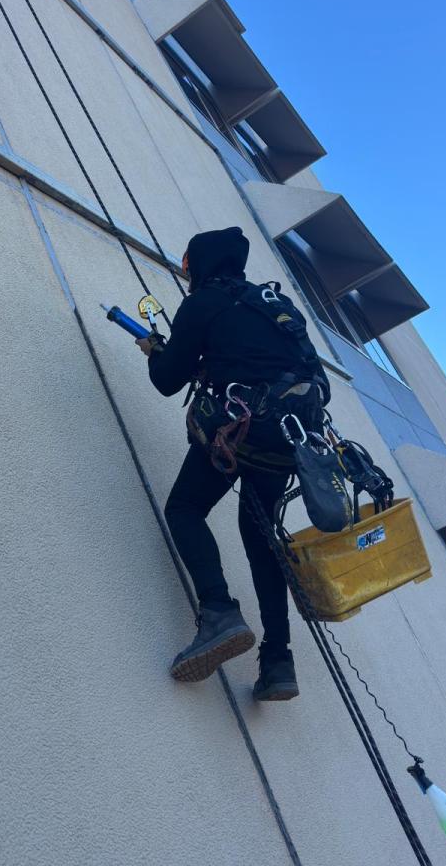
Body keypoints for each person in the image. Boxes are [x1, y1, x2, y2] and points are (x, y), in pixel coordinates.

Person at [137, 226, 327, 701]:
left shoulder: (203, 303)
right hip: (288, 440)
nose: (187, 273)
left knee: (185, 508)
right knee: (260, 537)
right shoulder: (276, 305)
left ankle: (219, 612)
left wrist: (155, 351)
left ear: (201, 263)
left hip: (239, 433)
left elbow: (167, 380)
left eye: (188, 264)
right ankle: (278, 660)